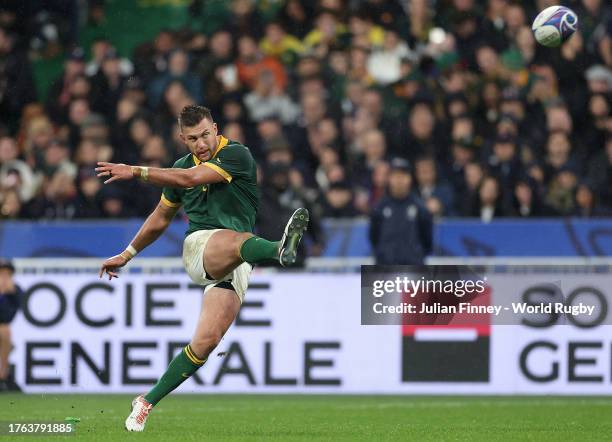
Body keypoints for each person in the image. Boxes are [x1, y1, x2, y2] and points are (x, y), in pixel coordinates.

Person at [95, 105, 309, 432]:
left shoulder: (237, 155)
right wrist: (127, 254)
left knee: (206, 342)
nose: (201, 143)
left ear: (216, 129)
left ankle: (146, 401)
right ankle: (278, 250)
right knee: (241, 240)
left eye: (206, 134)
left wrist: (137, 170)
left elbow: (191, 178)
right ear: (183, 139)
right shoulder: (180, 168)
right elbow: (161, 218)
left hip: (236, 259)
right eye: (193, 138)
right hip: (201, 248)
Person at [369, 158, 432, 265]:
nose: (399, 180)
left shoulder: (419, 207)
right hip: (385, 268)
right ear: (389, 178)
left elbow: (427, 239)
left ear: (410, 179)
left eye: (403, 175)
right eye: (395, 175)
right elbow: (374, 237)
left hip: (413, 268)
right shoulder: (380, 207)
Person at [0, 258, 22, 392]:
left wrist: (3, 295)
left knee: (5, 331)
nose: (4, 277)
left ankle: (2, 376)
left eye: (7, 274)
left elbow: (7, 317)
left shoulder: (15, 292)